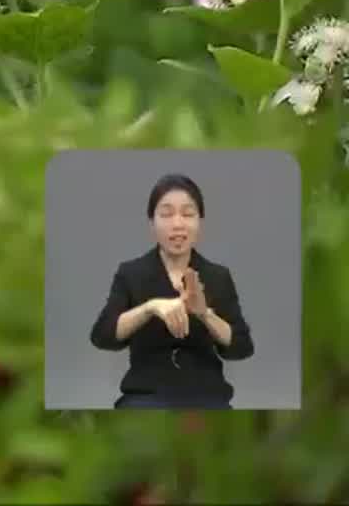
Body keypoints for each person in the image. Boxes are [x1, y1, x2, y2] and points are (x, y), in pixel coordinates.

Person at [89, 173, 254, 409]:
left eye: (188, 214)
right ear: (152, 224)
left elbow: (241, 346)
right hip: (145, 396)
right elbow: (103, 335)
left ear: (200, 222)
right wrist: (150, 308)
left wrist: (204, 313)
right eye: (166, 214)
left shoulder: (217, 276)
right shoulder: (131, 273)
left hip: (207, 396)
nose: (178, 223)